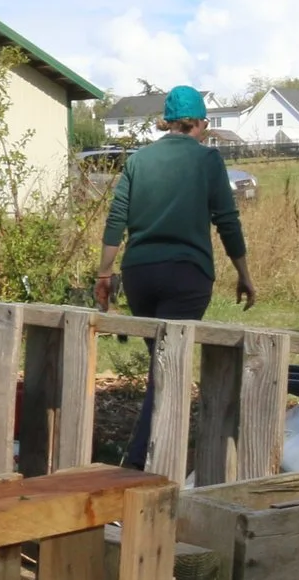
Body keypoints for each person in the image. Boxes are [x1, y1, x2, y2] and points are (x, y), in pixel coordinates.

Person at [97, 84, 257, 469]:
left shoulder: (139, 161)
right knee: (170, 371)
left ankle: (153, 456)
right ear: (200, 123)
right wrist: (244, 274)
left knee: (161, 365)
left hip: (139, 275)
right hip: (187, 274)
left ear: (165, 122)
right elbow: (227, 221)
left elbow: (117, 217)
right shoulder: (208, 161)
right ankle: (143, 464)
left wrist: (105, 273)